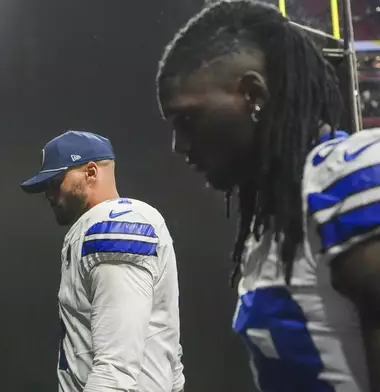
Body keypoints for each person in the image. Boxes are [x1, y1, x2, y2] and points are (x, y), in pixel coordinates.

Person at [155, 1, 380, 391]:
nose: (179, 145)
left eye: (188, 119)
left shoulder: (347, 177)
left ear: (252, 94)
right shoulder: (274, 220)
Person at [20, 130, 185, 392]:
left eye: (56, 182)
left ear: (91, 172)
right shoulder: (100, 225)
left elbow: (116, 366)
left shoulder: (115, 223)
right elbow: (169, 357)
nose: (49, 195)